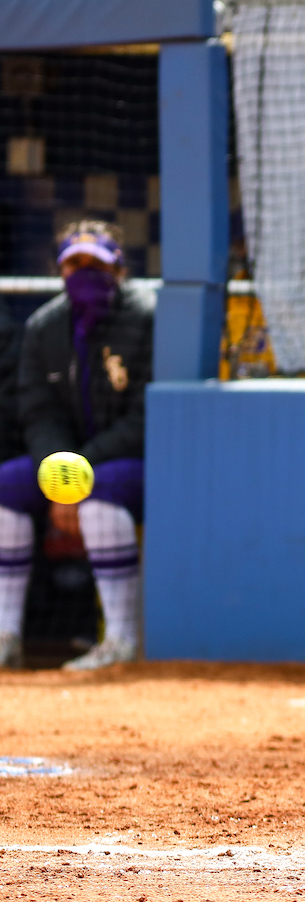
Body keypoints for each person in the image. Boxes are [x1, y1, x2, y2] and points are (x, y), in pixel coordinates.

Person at [0, 221, 153, 670]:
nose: (84, 272)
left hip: (130, 462)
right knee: (6, 489)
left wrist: (76, 472)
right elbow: (37, 411)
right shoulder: (44, 326)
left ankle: (120, 641)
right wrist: (61, 470)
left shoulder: (146, 316)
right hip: (68, 463)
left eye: (96, 264)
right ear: (59, 270)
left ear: (119, 269)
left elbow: (144, 418)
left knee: (99, 498)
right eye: (74, 263)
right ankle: (5, 634)